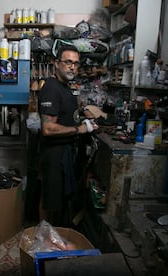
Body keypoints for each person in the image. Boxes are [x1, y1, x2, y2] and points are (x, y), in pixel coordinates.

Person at [37, 45, 99, 227]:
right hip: (53, 153)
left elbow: (65, 114)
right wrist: (78, 129)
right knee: (50, 200)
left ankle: (52, 235)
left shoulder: (66, 87)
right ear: (57, 64)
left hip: (64, 151)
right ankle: (43, 240)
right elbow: (47, 128)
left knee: (57, 199)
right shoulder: (51, 87)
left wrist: (82, 113)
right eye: (68, 62)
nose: (72, 67)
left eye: (75, 63)